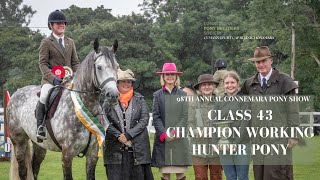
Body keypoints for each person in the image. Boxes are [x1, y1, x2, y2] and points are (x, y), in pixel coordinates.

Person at [240, 46, 299, 180]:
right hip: (258, 139)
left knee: (278, 174)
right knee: (259, 175)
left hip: (278, 139)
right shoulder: (249, 84)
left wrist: (293, 135)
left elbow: (293, 111)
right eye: (257, 62)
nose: (261, 65)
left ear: (271, 60)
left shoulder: (285, 81)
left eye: (263, 61)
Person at [36, 10, 80, 141]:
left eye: (63, 23)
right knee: (44, 95)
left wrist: (78, 75)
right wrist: (52, 78)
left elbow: (75, 62)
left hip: (68, 79)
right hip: (51, 80)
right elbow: (42, 63)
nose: (61, 25)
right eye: (57, 23)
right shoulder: (46, 42)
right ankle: (40, 127)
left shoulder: (70, 42)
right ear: (51, 25)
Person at [103, 69, 154, 180]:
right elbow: (104, 120)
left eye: (129, 82)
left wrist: (128, 135)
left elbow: (144, 119)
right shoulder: (108, 100)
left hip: (137, 150)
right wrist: (118, 135)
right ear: (117, 83)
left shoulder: (140, 99)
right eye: (123, 81)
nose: (126, 84)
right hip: (115, 151)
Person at [151, 62, 190, 180]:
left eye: (172, 74)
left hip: (179, 139)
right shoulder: (157, 95)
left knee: (180, 173)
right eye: (167, 74)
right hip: (163, 140)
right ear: (163, 77)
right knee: (165, 173)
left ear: (176, 76)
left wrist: (176, 132)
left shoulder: (183, 94)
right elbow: (156, 116)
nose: (170, 76)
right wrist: (164, 134)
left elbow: (185, 116)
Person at [188, 74, 223, 180]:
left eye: (209, 84)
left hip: (216, 148)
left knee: (216, 177)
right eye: (204, 85)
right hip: (198, 148)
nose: (207, 87)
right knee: (200, 177)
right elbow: (189, 123)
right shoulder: (193, 103)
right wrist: (195, 131)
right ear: (199, 87)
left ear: (214, 87)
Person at [217, 71, 251, 180]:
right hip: (224, 145)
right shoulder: (220, 101)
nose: (230, 85)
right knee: (230, 177)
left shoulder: (245, 100)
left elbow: (245, 124)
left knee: (242, 177)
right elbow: (215, 123)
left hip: (242, 145)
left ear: (238, 83)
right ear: (223, 84)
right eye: (227, 83)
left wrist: (235, 143)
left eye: (232, 82)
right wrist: (217, 142)